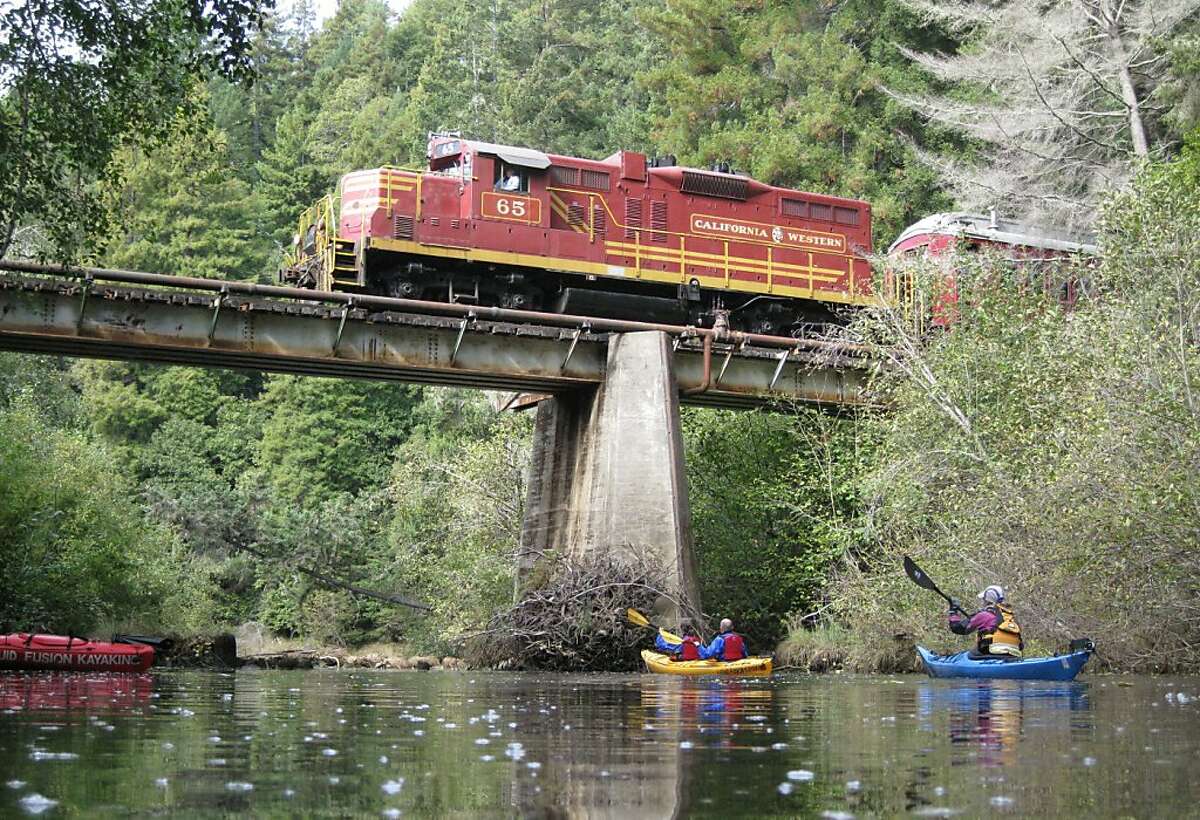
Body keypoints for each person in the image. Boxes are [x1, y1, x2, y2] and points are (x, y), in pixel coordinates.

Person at [949, 585, 1024, 658]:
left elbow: (957, 628)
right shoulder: (1010, 616)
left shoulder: (983, 615)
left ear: (986, 600)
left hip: (992, 652)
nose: (982, 601)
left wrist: (953, 612)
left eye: (983, 599)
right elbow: (1021, 645)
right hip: (1014, 655)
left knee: (969, 655)